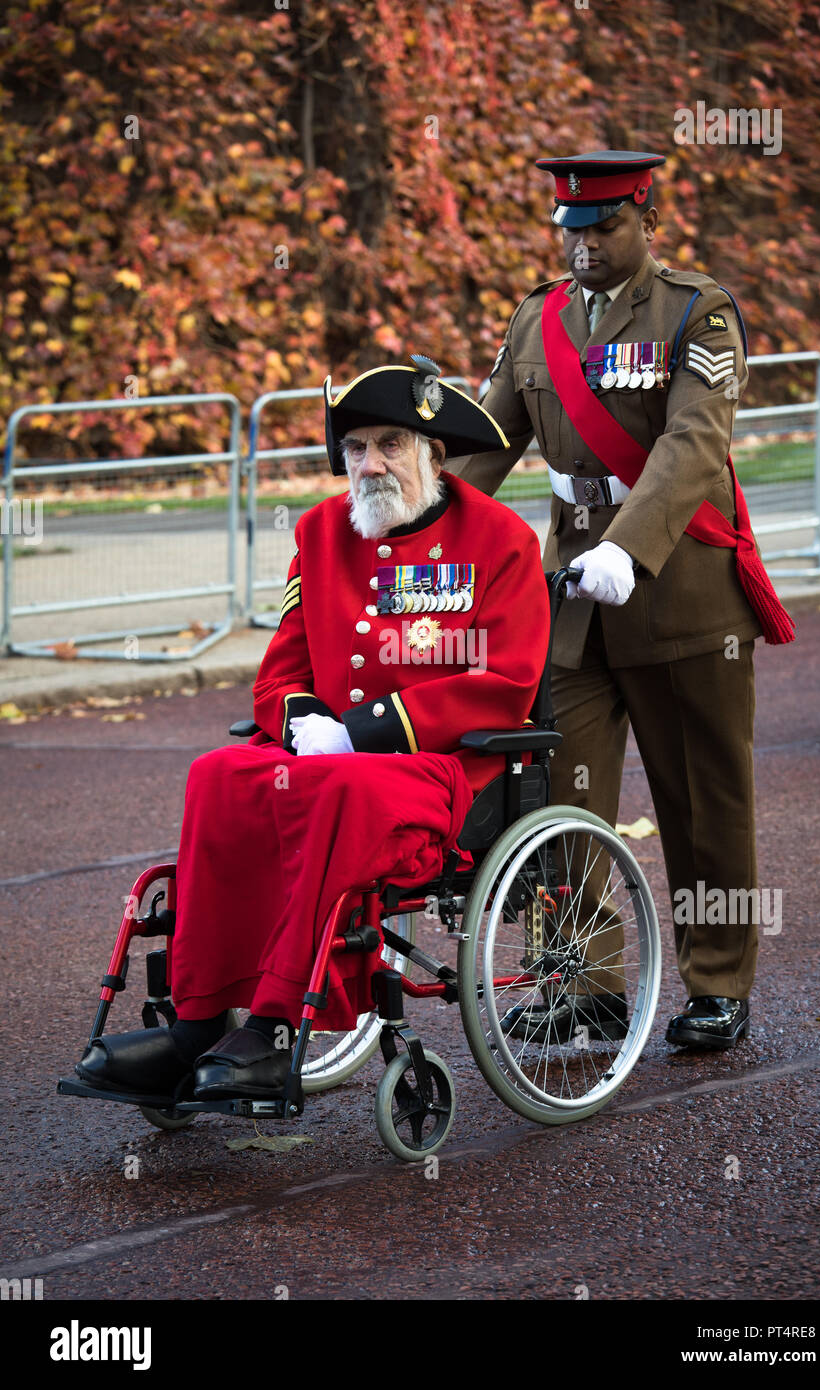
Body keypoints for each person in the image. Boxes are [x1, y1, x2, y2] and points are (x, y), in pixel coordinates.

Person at [75, 358, 550, 1102]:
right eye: (356, 448)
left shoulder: (502, 540)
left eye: (391, 444)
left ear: (432, 451)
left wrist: (361, 731)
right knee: (219, 775)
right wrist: (300, 719)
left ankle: (267, 1030)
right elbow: (280, 670)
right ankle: (197, 1024)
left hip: (441, 769)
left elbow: (507, 683)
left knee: (336, 786)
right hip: (330, 761)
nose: (369, 464)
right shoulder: (321, 530)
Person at [450, 151, 794, 1051]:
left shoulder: (697, 312)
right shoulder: (538, 319)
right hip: (572, 603)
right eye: (573, 230)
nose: (585, 247)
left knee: (701, 799)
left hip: (677, 594)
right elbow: (484, 447)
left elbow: (691, 444)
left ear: (647, 219)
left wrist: (626, 549)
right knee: (563, 799)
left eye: (604, 228)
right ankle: (587, 980)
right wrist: (406, 520)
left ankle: (718, 980)